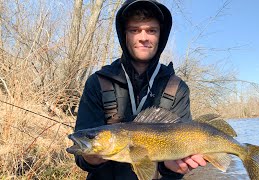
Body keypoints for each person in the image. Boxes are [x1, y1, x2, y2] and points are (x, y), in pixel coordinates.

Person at [74, 0, 206, 179]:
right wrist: (89, 158)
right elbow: (82, 159)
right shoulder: (97, 83)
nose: (143, 37)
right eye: (134, 30)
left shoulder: (178, 88)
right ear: (124, 35)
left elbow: (176, 168)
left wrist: (172, 169)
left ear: (161, 36)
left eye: (151, 30)